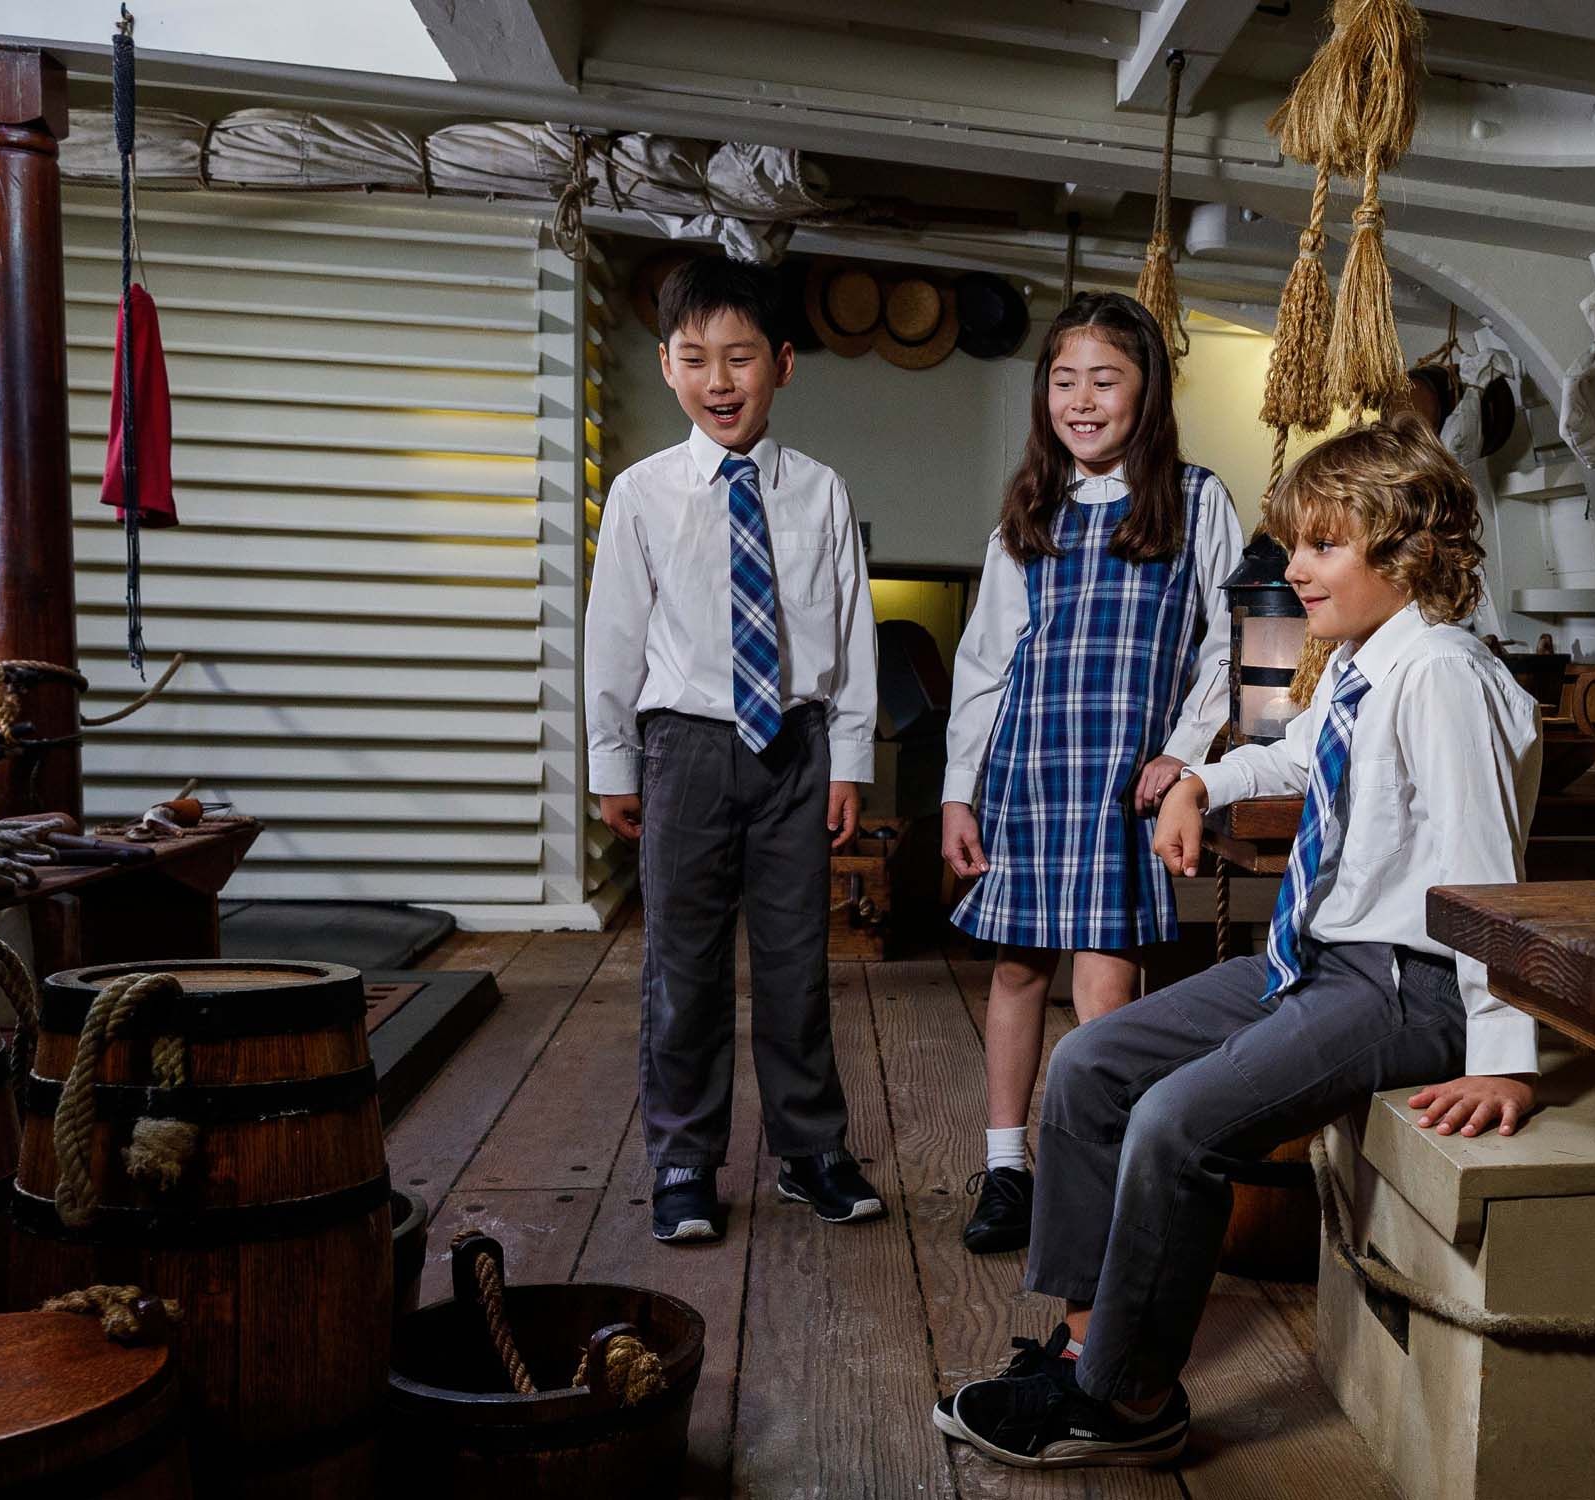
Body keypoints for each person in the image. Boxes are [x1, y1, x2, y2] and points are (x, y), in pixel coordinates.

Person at [933, 413, 1541, 1468]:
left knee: (1176, 1120)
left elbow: (1486, 881)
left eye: (1323, 545)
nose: (1294, 569)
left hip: (1410, 983)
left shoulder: (1441, 674)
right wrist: (1203, 779)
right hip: (1321, 962)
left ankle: (1128, 1403)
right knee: (1089, 1063)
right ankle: (1088, 1355)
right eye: (1294, 544)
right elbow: (1296, 756)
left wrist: (1506, 1059)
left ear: (1404, 552)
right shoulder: (1363, 667)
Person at [584, 255, 884, 1245]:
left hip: (794, 747)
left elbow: (849, 632)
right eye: (695, 358)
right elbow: (615, 637)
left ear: (783, 365)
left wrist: (849, 759)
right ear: (667, 368)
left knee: (799, 965)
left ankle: (810, 1152)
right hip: (685, 752)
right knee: (684, 968)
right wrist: (613, 761)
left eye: (742, 357)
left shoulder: (821, 492)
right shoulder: (640, 493)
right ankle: (682, 1159)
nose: (720, 380)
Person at [938, 292, 1242, 1256]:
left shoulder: (1196, 502)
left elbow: (1232, 647)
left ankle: (1097, 1172)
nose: (1082, 399)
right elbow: (985, 665)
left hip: (1126, 782)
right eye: (1064, 380)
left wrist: (1186, 751)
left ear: (1146, 392)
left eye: (1104, 379)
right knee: (1019, 969)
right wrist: (959, 789)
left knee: (1108, 984)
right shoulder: (1029, 512)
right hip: (1028, 772)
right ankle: (1005, 1169)